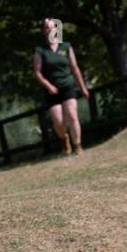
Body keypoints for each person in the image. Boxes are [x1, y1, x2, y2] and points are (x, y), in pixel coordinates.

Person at [33, 17, 90, 156]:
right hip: (52, 90)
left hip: (67, 85)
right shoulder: (40, 51)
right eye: (47, 27)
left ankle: (77, 146)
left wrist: (82, 87)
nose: (51, 29)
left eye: (53, 26)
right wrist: (48, 86)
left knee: (72, 115)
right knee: (58, 121)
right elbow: (37, 72)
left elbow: (75, 68)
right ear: (43, 31)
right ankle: (65, 141)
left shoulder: (66, 46)